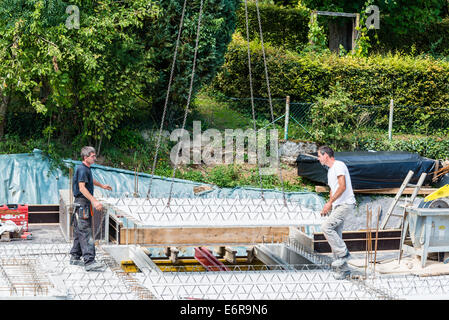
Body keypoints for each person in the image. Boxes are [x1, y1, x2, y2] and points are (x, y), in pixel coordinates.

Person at [70, 146, 112, 271]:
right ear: (85, 157)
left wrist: (102, 185)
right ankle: (89, 261)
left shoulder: (85, 168)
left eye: (94, 156)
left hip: (81, 204)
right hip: (83, 204)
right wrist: (94, 200)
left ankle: (75, 257)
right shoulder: (82, 169)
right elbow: (82, 188)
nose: (95, 158)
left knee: (79, 230)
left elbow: (90, 180)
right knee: (86, 232)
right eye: (92, 156)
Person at [317, 146, 356, 278]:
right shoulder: (330, 171)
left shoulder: (339, 165)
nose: (318, 159)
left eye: (319, 156)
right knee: (336, 237)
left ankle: (344, 253)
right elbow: (333, 190)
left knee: (326, 227)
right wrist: (329, 205)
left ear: (326, 156)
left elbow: (342, 186)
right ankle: (344, 271)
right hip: (338, 205)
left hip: (346, 204)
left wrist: (329, 203)